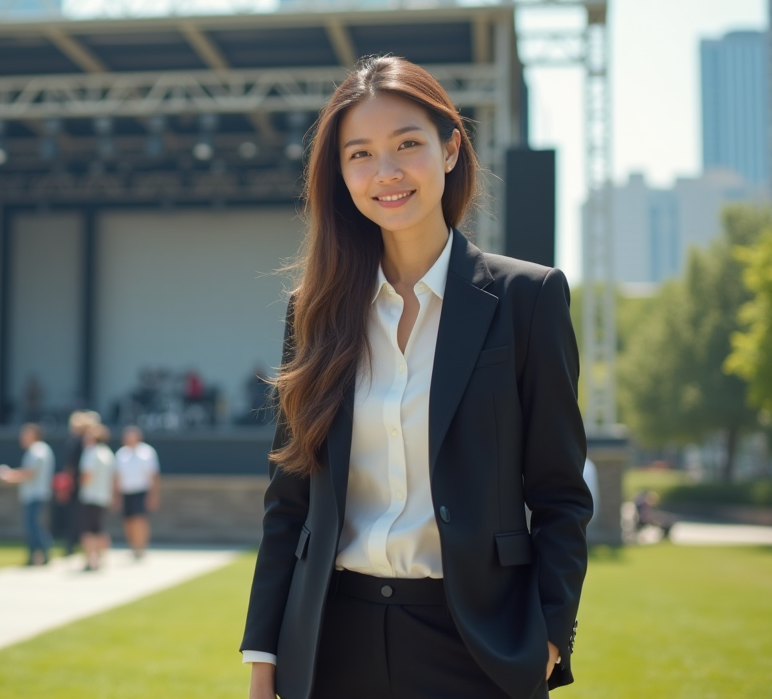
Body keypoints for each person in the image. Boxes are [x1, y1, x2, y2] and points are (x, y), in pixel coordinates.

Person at [240, 56, 593, 699]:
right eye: (361, 154)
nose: (387, 172)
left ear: (451, 148)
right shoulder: (314, 312)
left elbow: (561, 495)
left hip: (476, 647)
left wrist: (546, 638)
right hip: (328, 644)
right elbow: (289, 501)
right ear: (340, 174)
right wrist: (264, 659)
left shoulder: (528, 298)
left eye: (408, 144)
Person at [0, 423, 56, 565]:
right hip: (36, 493)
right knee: (33, 525)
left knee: (33, 526)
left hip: (35, 494)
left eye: (26, 434)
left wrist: (9, 475)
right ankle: (36, 555)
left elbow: (29, 473)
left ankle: (42, 553)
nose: (22, 437)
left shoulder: (37, 450)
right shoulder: (40, 449)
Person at [114, 425, 160, 559]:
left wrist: (154, 495)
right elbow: (117, 477)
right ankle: (133, 547)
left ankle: (141, 547)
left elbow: (154, 475)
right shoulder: (121, 454)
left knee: (140, 520)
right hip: (126, 491)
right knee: (128, 521)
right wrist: (117, 496)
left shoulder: (147, 452)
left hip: (141, 491)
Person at [58, 409, 99, 553]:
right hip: (83, 484)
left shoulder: (80, 443)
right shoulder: (86, 443)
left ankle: (75, 545)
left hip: (80, 484)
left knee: (79, 517)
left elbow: (70, 467)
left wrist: (67, 485)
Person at [78, 423, 116, 571]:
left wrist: (78, 482)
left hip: (90, 495)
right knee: (99, 528)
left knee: (88, 530)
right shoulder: (108, 453)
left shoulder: (90, 452)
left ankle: (90, 560)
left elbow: (87, 476)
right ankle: (102, 558)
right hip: (103, 496)